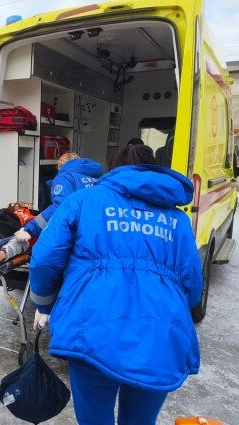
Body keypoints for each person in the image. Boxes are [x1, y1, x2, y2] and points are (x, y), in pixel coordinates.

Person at [29, 145, 203, 425]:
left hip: (92, 330)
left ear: (112, 169)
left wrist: (44, 304)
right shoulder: (178, 220)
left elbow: (44, 259)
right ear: (153, 168)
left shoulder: (82, 201)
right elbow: (192, 283)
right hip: (158, 337)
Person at [15, 152, 102, 242]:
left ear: (59, 167)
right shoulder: (96, 178)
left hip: (80, 234)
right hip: (99, 231)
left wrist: (30, 229)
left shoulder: (65, 177)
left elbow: (60, 207)